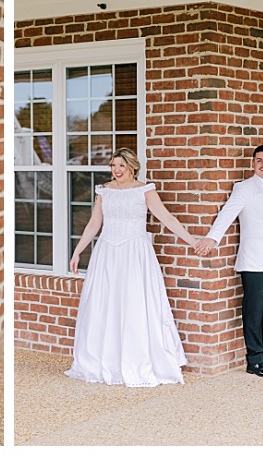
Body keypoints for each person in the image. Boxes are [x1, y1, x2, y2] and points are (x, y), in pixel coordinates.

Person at [66, 148, 194, 387]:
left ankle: (137, 360)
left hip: (135, 253)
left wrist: (193, 241)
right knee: (105, 304)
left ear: (133, 167)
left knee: (134, 303)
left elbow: (167, 219)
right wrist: (78, 250)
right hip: (107, 253)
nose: (117, 170)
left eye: (122, 166)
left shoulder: (144, 190)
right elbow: (95, 223)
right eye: (114, 166)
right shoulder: (104, 191)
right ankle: (104, 360)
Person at [193, 144, 263, 378]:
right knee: (254, 313)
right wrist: (212, 238)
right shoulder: (243, 189)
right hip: (255, 261)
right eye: (258, 160)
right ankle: (254, 360)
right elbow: (227, 213)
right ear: (253, 164)